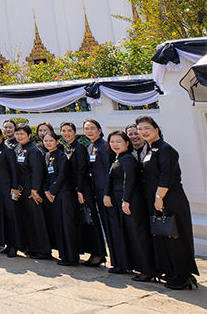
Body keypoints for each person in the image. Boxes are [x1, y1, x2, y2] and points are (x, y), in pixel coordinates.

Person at [136, 115, 199, 290]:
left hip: (169, 199)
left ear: (156, 129)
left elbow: (167, 176)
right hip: (155, 200)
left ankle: (183, 275)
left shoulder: (166, 150)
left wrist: (159, 198)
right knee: (163, 236)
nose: (143, 132)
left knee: (176, 237)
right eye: (140, 129)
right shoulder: (146, 150)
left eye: (146, 128)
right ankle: (171, 271)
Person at [105, 130, 155, 281]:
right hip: (120, 198)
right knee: (125, 234)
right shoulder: (118, 158)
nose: (115, 145)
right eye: (112, 142)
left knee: (137, 234)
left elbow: (130, 180)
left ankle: (147, 270)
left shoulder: (128, 159)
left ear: (127, 143)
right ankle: (126, 264)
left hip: (131, 200)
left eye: (118, 141)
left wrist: (126, 200)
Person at [61, 121, 106, 267]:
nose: (66, 133)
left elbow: (81, 170)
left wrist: (80, 190)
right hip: (73, 188)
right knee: (83, 222)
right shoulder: (68, 148)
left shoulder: (79, 147)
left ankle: (99, 254)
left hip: (83, 189)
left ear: (74, 132)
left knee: (91, 220)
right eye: (64, 131)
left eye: (69, 130)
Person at [13, 124, 51, 260]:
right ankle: (31, 247)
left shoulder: (33, 150)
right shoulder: (17, 148)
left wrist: (35, 190)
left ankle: (43, 250)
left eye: (22, 134)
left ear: (29, 135)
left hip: (32, 190)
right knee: (27, 219)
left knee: (36, 219)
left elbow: (37, 172)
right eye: (17, 134)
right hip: (21, 189)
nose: (19, 136)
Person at [42, 130, 78, 266]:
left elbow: (62, 176)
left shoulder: (62, 156)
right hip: (51, 196)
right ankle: (63, 255)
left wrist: (52, 191)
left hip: (63, 194)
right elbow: (45, 175)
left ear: (57, 142)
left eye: (51, 141)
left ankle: (71, 257)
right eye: (46, 141)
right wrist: (46, 191)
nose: (48, 143)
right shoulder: (46, 155)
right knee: (58, 225)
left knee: (66, 225)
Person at [83, 119, 115, 269]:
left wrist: (107, 192)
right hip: (96, 190)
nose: (89, 131)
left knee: (112, 227)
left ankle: (118, 261)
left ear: (99, 130)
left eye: (92, 128)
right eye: (86, 129)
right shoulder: (91, 147)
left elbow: (109, 172)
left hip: (106, 192)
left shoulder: (105, 146)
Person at [0, 126, 20, 257]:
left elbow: (14, 170)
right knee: (0, 217)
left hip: (7, 188)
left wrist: (15, 187)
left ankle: (14, 245)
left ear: (1, 136)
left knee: (11, 217)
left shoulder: (8, 150)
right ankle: (5, 243)